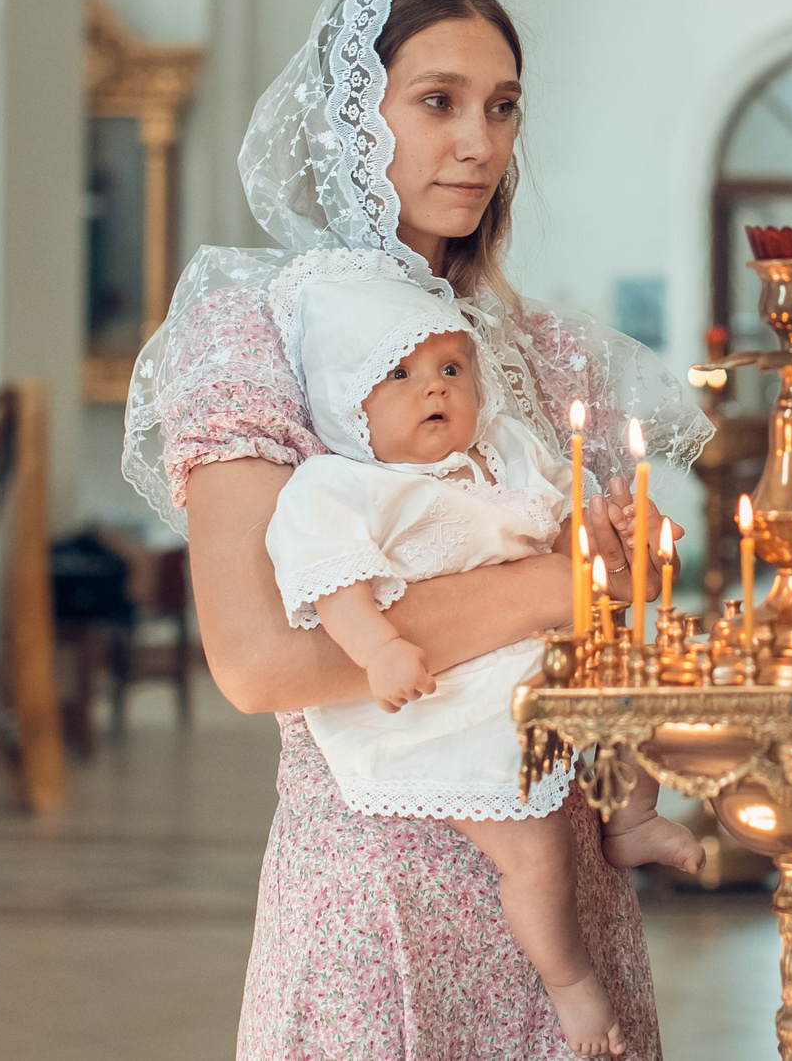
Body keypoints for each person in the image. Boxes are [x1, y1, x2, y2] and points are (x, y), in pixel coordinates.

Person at [123, 0, 709, 1060]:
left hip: (565, 895)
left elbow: (627, 615)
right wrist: (549, 585)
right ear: (354, 121)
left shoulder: (542, 350)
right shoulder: (261, 336)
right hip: (374, 889)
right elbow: (262, 660)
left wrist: (641, 580)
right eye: (436, 101)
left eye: (501, 107)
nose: (477, 143)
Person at [265, 275, 701, 1056]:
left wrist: (609, 529)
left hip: (528, 662)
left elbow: (568, 536)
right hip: (439, 703)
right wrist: (380, 647)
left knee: (637, 687)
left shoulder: (504, 454)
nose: (432, 385)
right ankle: (571, 984)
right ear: (345, 402)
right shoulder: (336, 487)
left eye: (450, 368)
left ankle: (632, 817)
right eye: (398, 373)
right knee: (534, 851)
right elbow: (331, 584)